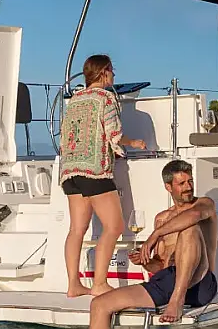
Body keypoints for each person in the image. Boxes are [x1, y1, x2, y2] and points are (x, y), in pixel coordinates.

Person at [89, 160, 218, 327]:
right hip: (167, 281)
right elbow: (160, 266)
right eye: (181, 183)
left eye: (190, 181)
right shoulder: (162, 219)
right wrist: (145, 261)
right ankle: (174, 298)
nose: (188, 187)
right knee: (99, 305)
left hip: (199, 285)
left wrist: (155, 235)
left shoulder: (204, 204)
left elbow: (194, 215)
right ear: (168, 187)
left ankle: (177, 300)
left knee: (189, 229)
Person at [59, 54, 147, 298]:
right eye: (112, 70)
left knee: (76, 230)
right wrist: (134, 142)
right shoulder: (105, 98)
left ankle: (73, 285)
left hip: (70, 171)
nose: (114, 75)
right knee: (114, 226)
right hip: (94, 171)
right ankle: (99, 283)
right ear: (104, 72)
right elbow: (114, 134)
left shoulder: (75, 99)